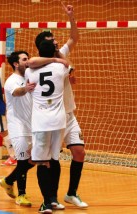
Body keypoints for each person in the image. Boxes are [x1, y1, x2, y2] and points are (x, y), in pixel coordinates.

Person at [32, 3, 88, 208]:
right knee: (47, 159)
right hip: (49, 118)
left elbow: (74, 38)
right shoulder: (38, 63)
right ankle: (50, 198)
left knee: (79, 152)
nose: (56, 41)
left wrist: (71, 17)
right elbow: (30, 61)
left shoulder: (60, 55)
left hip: (68, 115)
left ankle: (71, 193)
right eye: (51, 40)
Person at [0, 50, 67, 207]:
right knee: (23, 160)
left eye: (28, 58)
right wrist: (26, 89)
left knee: (34, 159)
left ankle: (8, 181)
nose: (27, 61)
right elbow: (16, 92)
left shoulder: (31, 74)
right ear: (16, 64)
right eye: (24, 59)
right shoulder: (12, 81)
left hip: (33, 125)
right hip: (18, 127)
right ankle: (21, 194)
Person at [25, 40, 70, 214]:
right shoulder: (61, 68)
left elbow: (32, 62)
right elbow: (66, 64)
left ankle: (46, 202)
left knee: (42, 162)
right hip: (58, 121)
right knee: (54, 159)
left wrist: (50, 57)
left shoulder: (30, 71)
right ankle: (53, 199)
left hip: (41, 122)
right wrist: (57, 56)